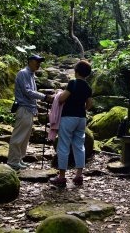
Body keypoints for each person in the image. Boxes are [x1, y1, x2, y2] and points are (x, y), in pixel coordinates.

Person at [49, 60, 93, 188]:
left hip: (68, 117)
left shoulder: (73, 83)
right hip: (81, 118)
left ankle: (62, 177)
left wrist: (58, 95)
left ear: (76, 71)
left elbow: (62, 98)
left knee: (63, 145)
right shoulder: (88, 87)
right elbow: (90, 104)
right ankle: (79, 175)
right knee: (79, 146)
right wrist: (82, 109)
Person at [7, 54, 53, 171]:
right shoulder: (23, 73)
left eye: (39, 62)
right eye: (36, 61)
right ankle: (12, 161)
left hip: (29, 109)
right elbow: (27, 91)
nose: (39, 64)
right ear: (30, 61)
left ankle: (19, 159)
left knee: (25, 137)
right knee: (19, 136)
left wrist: (36, 107)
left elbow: (30, 94)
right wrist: (44, 97)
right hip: (23, 108)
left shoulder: (31, 75)